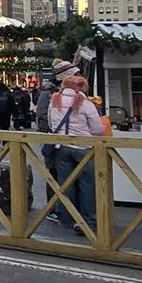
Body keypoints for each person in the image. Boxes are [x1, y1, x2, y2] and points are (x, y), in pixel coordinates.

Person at [41, 72, 108, 229]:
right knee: (88, 184)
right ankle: (88, 220)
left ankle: (66, 217)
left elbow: (51, 123)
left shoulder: (55, 100)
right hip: (83, 148)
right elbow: (98, 129)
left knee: (65, 184)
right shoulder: (85, 103)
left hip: (61, 147)